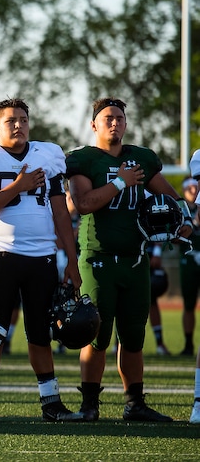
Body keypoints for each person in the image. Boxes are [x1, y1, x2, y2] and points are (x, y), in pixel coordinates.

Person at [66, 97, 191, 422]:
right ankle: (89, 404)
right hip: (98, 261)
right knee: (96, 335)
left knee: (134, 336)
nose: (114, 123)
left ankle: (135, 403)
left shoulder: (142, 159)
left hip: (135, 260)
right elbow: (83, 203)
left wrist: (185, 222)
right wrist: (120, 181)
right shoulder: (83, 160)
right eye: (107, 118)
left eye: (119, 117)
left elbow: (172, 199)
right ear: (94, 124)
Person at [0, 98, 83, 423]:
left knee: (40, 332)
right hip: (0, 254)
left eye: (24, 119)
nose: (18, 125)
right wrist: (19, 185)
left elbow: (60, 212)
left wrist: (72, 260)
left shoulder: (48, 154)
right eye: (11, 120)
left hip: (42, 255)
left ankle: (50, 402)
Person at [178, 175, 200, 356]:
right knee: (188, 305)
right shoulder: (179, 211)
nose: (193, 190)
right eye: (189, 188)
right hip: (188, 261)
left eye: (196, 186)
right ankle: (188, 344)